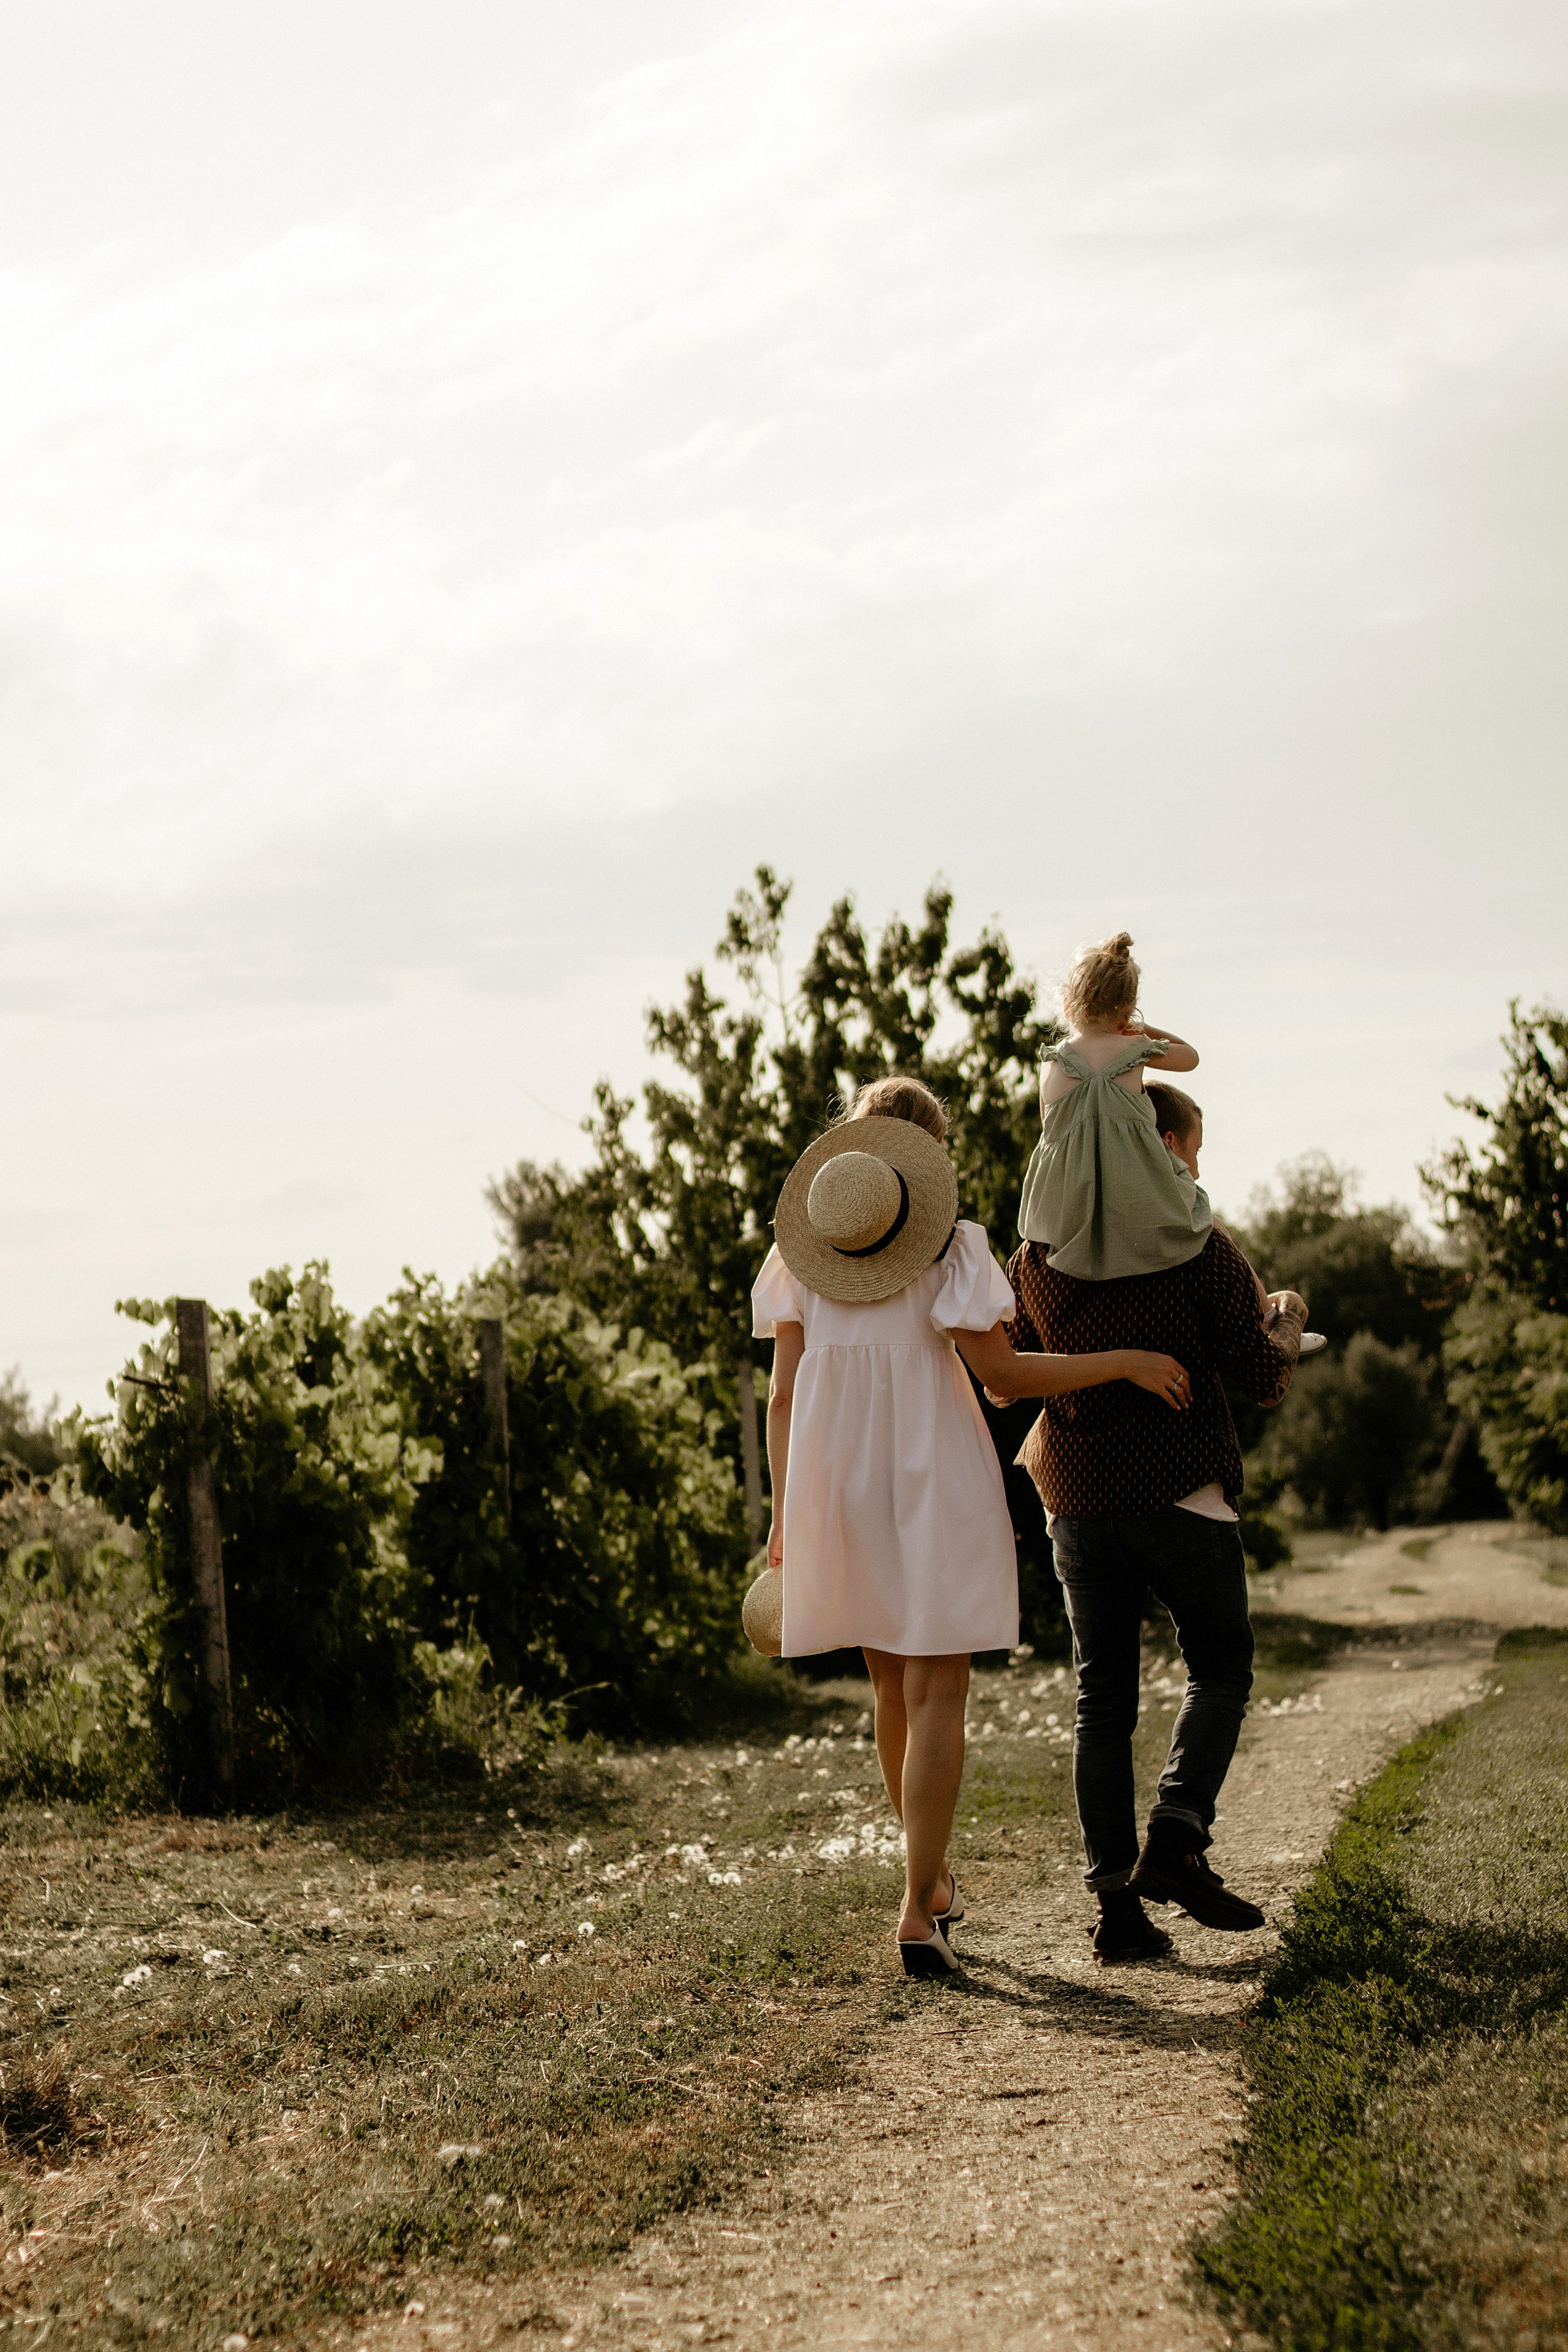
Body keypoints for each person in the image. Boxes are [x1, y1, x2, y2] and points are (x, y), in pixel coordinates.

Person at [752, 1074, 1197, 1980]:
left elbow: (783, 1395)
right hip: (931, 1473)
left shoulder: (801, 1254)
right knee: (937, 1693)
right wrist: (1123, 1362)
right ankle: (918, 1907)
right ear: (928, 1161)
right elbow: (1002, 1379)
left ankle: (933, 1886)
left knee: (888, 1692)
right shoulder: (951, 1250)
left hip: (835, 1483)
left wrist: (782, 1512)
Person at [1003, 1192, 1308, 1962]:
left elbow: (1005, 1379)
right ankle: (1175, 1836)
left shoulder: (1036, 1255)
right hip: (1184, 1492)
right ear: (1164, 1141)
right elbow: (1263, 1378)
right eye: (1189, 1150)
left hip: (1077, 1497)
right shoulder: (1197, 1243)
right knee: (1220, 1669)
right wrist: (1289, 1323)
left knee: (1100, 1698)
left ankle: (1117, 1912)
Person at [1017, 930, 1213, 1280]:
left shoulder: (1050, 1062)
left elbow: (1049, 1130)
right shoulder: (1135, 1049)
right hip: (1137, 1195)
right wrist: (1142, 1029)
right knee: (1205, 1216)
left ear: (1068, 1005)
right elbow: (1191, 1058)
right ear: (1127, 1011)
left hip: (1065, 1208)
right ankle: (1265, 1319)